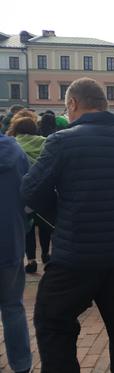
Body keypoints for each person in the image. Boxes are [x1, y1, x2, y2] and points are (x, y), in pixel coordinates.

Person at [21, 77, 114, 372]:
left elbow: (30, 190)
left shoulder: (60, 142)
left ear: (72, 104)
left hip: (77, 256)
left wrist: (63, 217)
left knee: (53, 321)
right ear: (104, 106)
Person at [0, 132, 32, 373]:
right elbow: (29, 195)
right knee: (13, 307)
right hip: (9, 242)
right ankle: (22, 366)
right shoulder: (15, 150)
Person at [6, 111, 52, 273]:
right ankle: (46, 254)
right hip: (44, 191)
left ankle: (31, 259)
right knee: (45, 226)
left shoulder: (12, 145)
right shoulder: (46, 142)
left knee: (29, 229)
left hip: (24, 192)